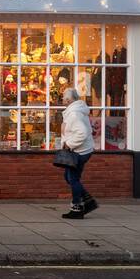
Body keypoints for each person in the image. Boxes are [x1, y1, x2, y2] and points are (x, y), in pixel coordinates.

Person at [59, 87, 97, 219]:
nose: (62, 98)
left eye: (63, 97)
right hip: (82, 151)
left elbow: (82, 132)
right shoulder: (74, 111)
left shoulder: (74, 114)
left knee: (73, 179)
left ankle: (77, 208)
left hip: (79, 152)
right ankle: (88, 201)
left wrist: (69, 144)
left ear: (69, 100)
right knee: (69, 177)